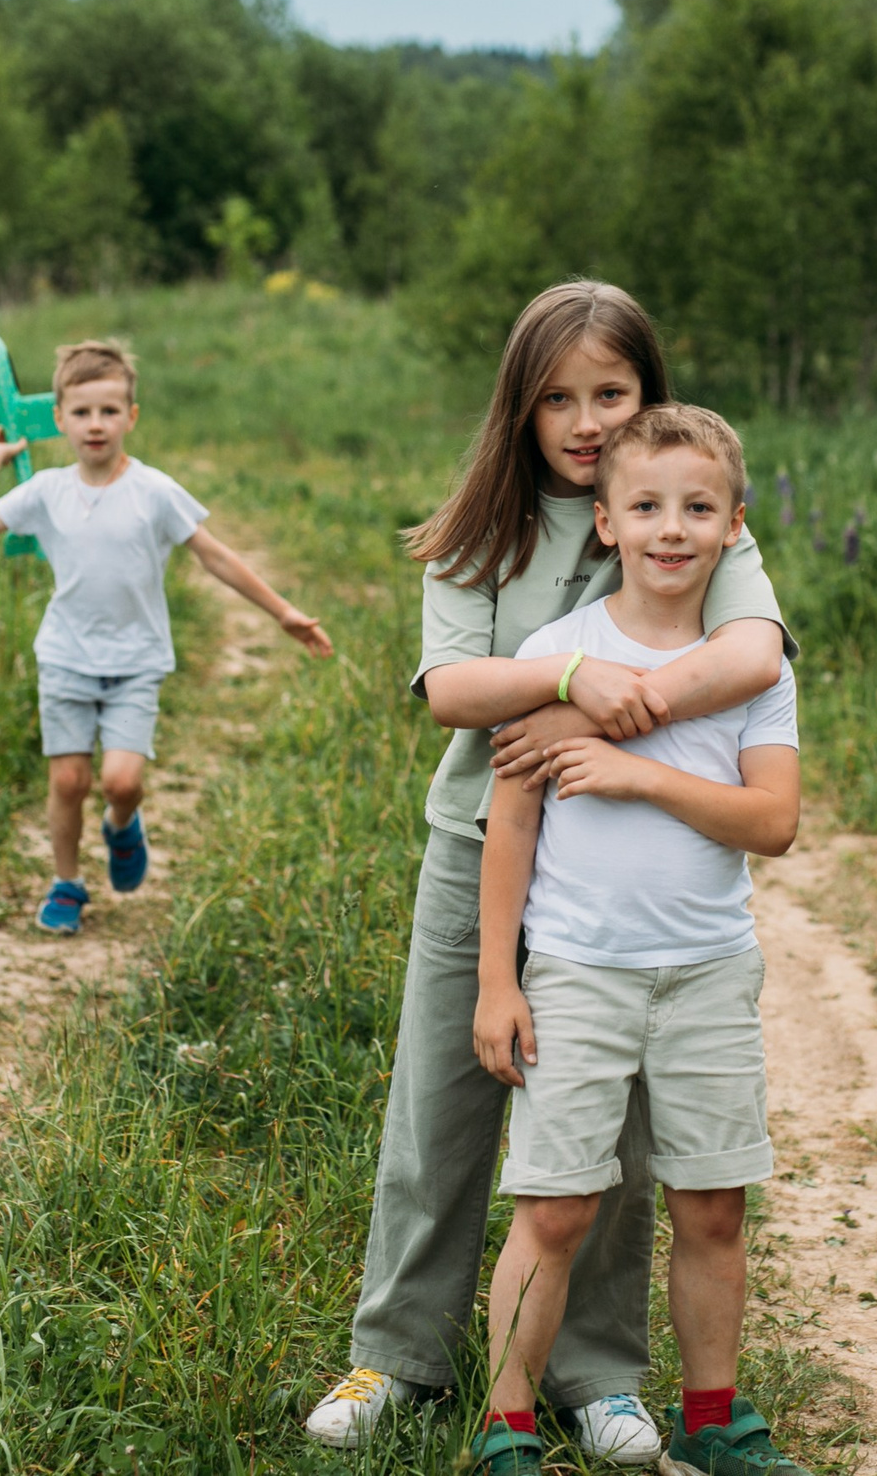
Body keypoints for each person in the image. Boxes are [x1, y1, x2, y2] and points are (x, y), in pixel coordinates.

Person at [306, 283, 795, 1464]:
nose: (585, 422)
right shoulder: (483, 528)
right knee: (443, 1105)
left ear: (648, 393)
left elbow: (750, 655)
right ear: (519, 407)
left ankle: (596, 1374)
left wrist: (596, 726)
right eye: (557, 399)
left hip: (618, 871)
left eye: (610, 393)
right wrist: (573, 682)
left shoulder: (686, 506)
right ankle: (399, 1352)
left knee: (612, 1132)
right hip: (484, 848)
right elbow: (452, 691)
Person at [464, 403, 804, 1476]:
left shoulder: (751, 666)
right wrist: (497, 981)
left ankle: (713, 1422)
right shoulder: (557, 655)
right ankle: (507, 1427)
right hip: (578, 972)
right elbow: (510, 830)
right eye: (646, 506)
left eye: (698, 508)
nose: (672, 528)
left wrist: (640, 775)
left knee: (711, 1206)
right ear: (605, 521)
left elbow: (774, 822)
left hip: (708, 970)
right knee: (557, 1207)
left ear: (734, 525)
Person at [0, 337, 332, 932]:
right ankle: (66, 883)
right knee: (68, 780)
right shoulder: (48, 490)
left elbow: (215, 555)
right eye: (81, 412)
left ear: (131, 416)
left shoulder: (154, 491)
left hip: (136, 662)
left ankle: (122, 825)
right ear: (59, 418)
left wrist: (282, 612)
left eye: (109, 411)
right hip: (65, 658)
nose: (95, 424)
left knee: (121, 782)